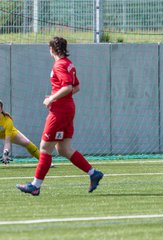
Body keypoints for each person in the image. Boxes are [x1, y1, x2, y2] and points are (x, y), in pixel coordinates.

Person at [16, 37, 103, 196]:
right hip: (68, 108)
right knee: (63, 148)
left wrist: (52, 98)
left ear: (52, 49)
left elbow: (69, 86)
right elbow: (76, 87)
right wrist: (56, 95)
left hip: (60, 111)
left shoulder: (60, 65)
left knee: (44, 147)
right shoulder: (69, 63)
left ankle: (35, 186)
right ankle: (93, 173)